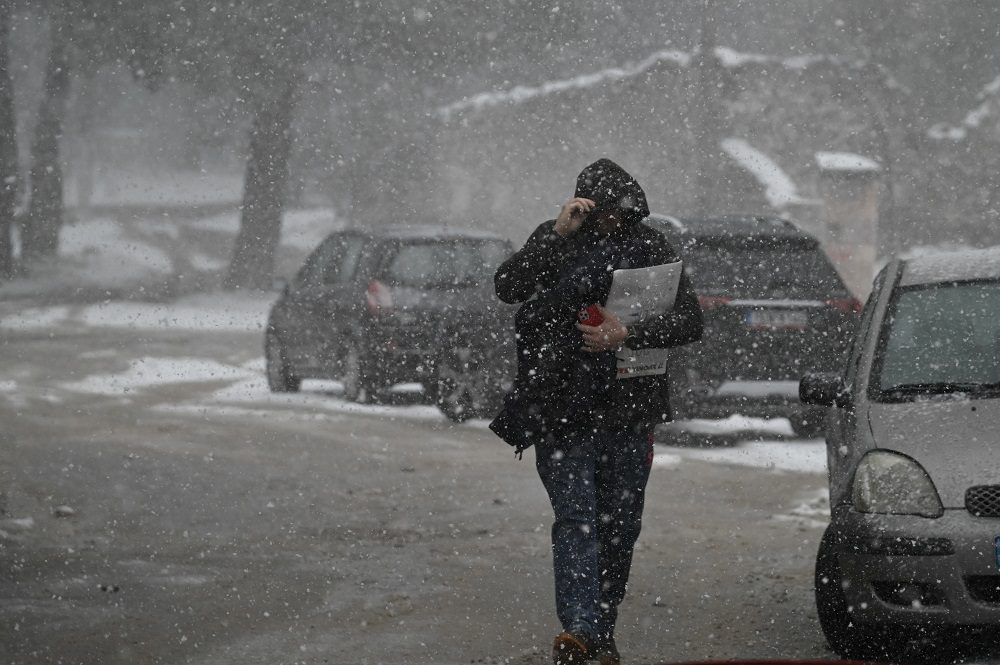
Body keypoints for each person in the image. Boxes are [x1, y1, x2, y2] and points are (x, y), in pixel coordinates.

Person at [490, 159, 703, 665]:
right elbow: (508, 288)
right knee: (577, 519)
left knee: (620, 526)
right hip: (561, 411)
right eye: (594, 212)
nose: (605, 221)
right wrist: (556, 237)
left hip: (629, 412)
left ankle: (600, 630)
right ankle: (581, 630)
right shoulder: (556, 238)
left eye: (614, 213)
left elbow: (689, 320)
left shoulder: (650, 246)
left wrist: (626, 333)